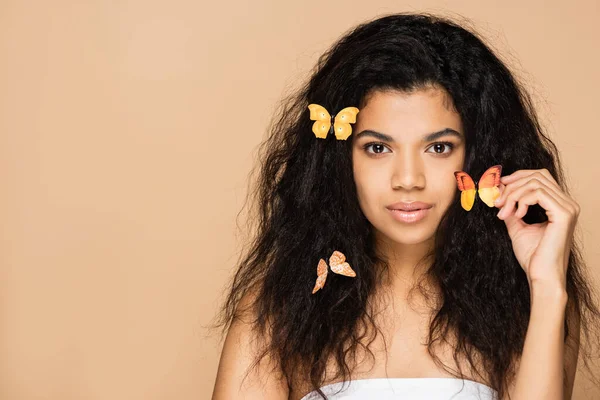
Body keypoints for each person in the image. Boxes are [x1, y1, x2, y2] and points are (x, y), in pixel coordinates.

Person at [210, 12, 600, 400]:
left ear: (477, 157)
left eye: (439, 148)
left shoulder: (529, 301)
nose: (409, 178)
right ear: (339, 159)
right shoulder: (279, 308)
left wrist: (547, 285)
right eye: (378, 148)